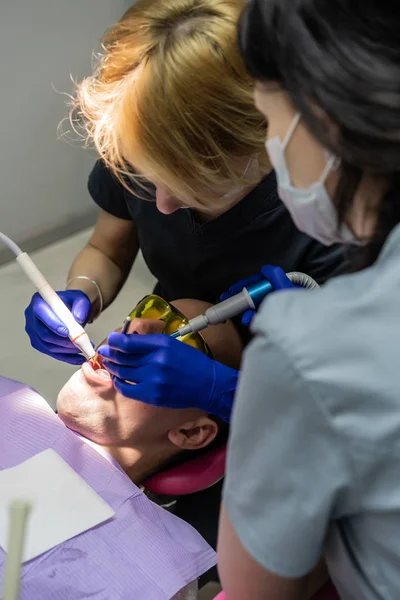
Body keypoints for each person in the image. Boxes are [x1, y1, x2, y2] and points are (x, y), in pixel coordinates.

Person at [90, 1, 400, 598]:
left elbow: (270, 582)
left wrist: (239, 390)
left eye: (270, 114)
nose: (132, 330)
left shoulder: (310, 340)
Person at [24, 0, 344, 367]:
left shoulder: (338, 216)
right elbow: (107, 251)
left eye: (189, 184)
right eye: (147, 176)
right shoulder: (142, 146)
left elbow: (347, 381)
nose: (161, 204)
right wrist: (83, 291)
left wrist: (222, 393)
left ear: (259, 137)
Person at [0, 298, 242, 599]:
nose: (134, 331)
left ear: (190, 432)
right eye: (143, 313)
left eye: (175, 344)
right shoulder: (8, 401)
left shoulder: (152, 571)